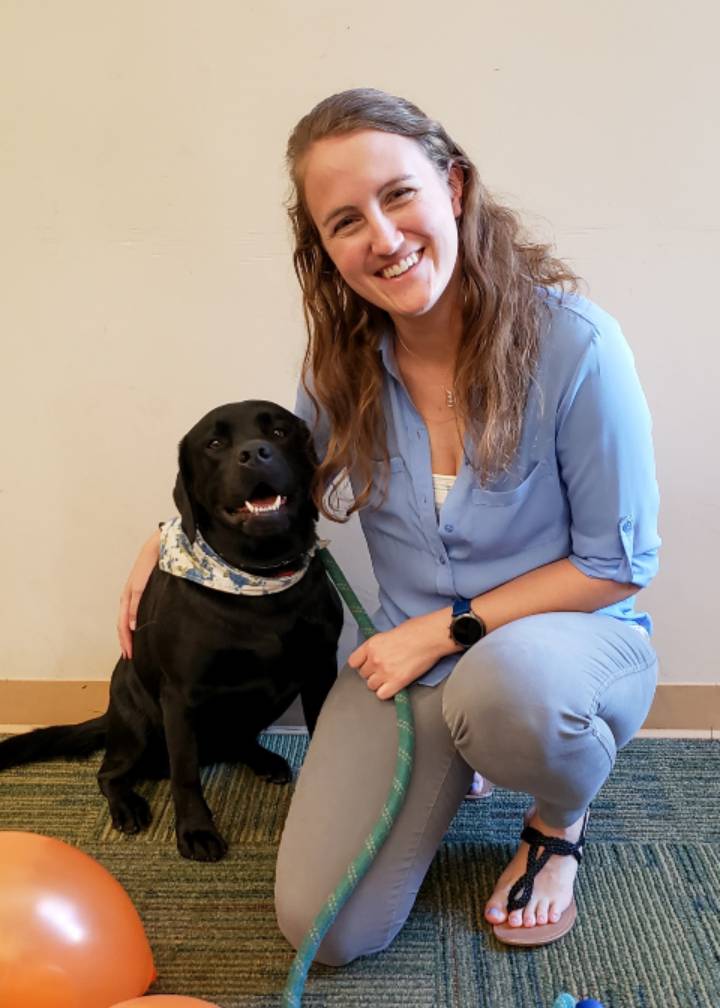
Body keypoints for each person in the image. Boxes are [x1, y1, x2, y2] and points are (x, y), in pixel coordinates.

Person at [118, 88, 660, 963]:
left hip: (564, 648)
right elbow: (285, 478)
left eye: (397, 194)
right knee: (325, 931)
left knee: (509, 694)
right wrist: (166, 538)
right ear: (324, 250)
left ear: (453, 186)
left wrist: (444, 631)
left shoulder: (577, 346)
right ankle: (472, 748)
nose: (381, 235)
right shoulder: (339, 365)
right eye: (344, 221)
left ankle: (558, 820)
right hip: (416, 670)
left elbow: (618, 562)